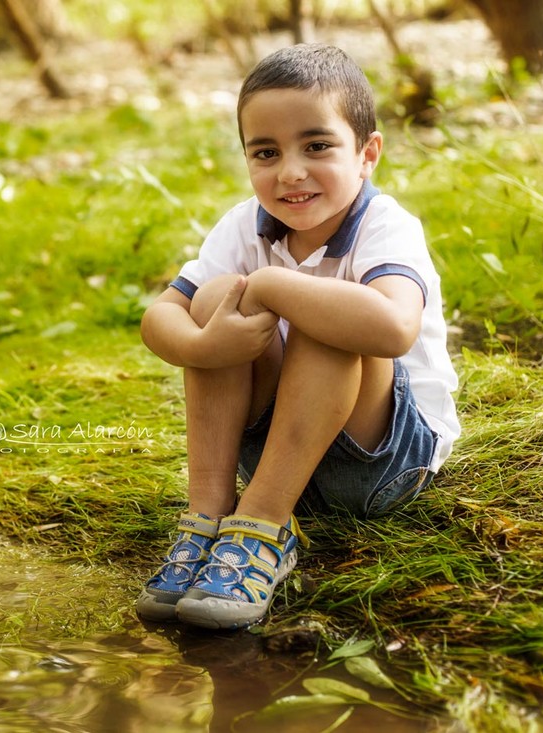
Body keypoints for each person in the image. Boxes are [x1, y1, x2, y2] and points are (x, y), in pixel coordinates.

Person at [135, 43, 460, 630]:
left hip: (381, 461)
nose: (290, 171)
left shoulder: (386, 225)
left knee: (329, 314)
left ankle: (262, 527)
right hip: (277, 453)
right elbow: (161, 316)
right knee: (213, 300)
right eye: (266, 152)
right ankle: (210, 515)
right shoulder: (243, 224)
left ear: (367, 153)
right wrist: (202, 346)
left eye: (316, 146)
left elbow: (392, 327)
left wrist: (276, 285)